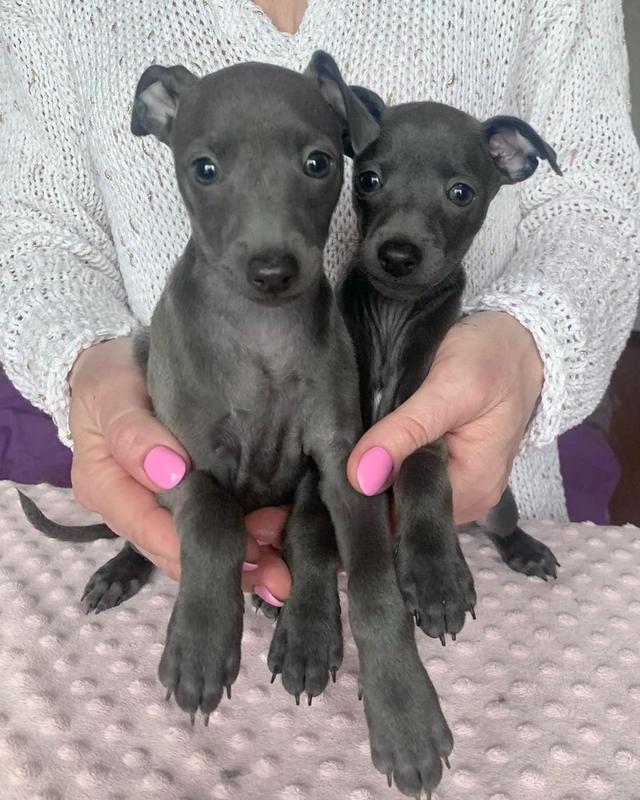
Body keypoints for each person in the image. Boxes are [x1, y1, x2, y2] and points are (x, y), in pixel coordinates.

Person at [1, 0, 638, 606]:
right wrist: (81, 362)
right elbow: (31, 230)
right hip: (195, 485)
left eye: (316, 161)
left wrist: (533, 347)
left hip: (482, 497)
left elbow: (602, 204)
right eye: (371, 179)